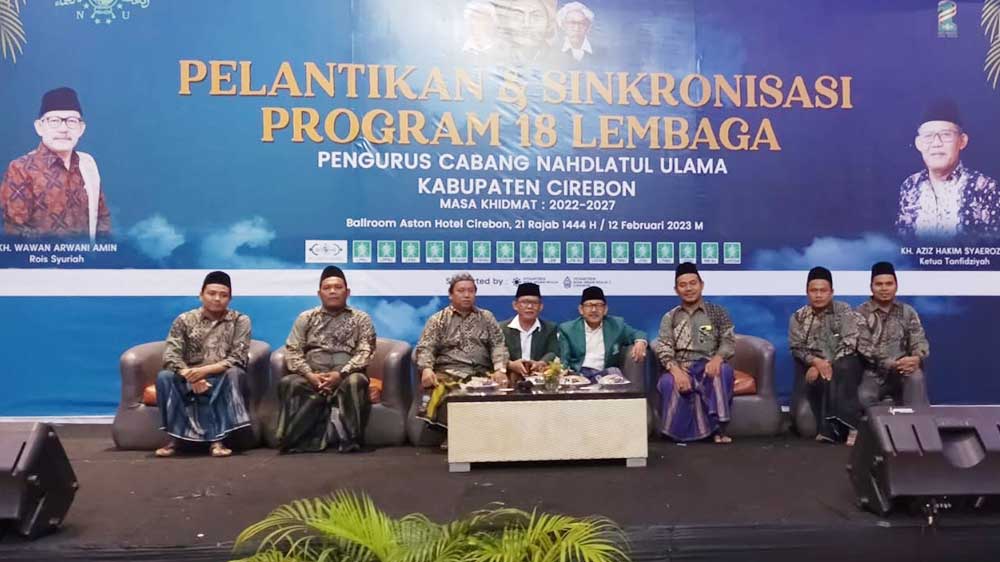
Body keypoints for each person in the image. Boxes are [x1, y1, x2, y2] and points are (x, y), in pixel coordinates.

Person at [275, 266, 376, 453]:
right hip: (312, 375)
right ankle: (298, 440)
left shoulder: (361, 319)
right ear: (319, 293)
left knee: (356, 382)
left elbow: (365, 352)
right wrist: (310, 376)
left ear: (347, 292)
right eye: (327, 288)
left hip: (347, 374)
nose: (332, 291)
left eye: (338, 287)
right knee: (289, 383)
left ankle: (350, 440)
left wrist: (340, 374)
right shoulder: (306, 317)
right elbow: (293, 350)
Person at [154, 271, 251, 458]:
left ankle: (217, 441)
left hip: (220, 374)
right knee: (164, 376)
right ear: (201, 295)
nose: (217, 299)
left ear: (230, 299)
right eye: (211, 293)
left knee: (234, 373)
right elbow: (171, 355)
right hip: (189, 375)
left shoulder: (240, 320)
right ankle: (175, 439)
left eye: (223, 295)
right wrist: (190, 376)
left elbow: (237, 357)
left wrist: (203, 372)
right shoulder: (184, 320)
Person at [1, 87, 111, 239]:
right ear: (39, 127)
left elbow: (102, 217)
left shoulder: (88, 164)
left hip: (87, 254)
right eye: (54, 121)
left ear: (81, 129)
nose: (63, 129)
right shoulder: (21, 169)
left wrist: (100, 249)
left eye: (72, 121)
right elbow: (15, 230)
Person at [414, 273, 508, 440]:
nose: (466, 295)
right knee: (445, 390)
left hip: (482, 373)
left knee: (502, 387)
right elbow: (425, 347)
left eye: (471, 291)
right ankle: (455, 439)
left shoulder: (486, 317)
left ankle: (490, 440)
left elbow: (498, 344)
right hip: (449, 371)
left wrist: (500, 369)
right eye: (461, 291)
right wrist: (426, 369)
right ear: (450, 295)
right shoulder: (438, 320)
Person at [652, 263, 736, 444]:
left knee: (722, 372)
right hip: (681, 366)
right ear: (676, 290)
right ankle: (677, 434)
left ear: (701, 285)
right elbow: (664, 347)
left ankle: (719, 430)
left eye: (693, 283)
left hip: (708, 364)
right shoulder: (670, 317)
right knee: (668, 383)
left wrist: (717, 359)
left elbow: (728, 341)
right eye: (683, 285)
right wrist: (676, 371)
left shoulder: (717, 312)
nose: (688, 288)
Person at [896, 98, 1000, 239]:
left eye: (946, 135)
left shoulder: (985, 188)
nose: (936, 143)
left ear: (962, 141)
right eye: (928, 136)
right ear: (918, 143)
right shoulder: (910, 186)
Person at [788, 267, 866, 444]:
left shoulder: (843, 310)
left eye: (823, 290)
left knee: (842, 368)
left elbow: (849, 342)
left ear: (831, 292)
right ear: (807, 292)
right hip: (813, 366)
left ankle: (851, 427)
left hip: (845, 361)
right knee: (823, 378)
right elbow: (796, 348)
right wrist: (815, 362)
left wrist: (826, 363)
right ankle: (831, 429)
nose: (818, 295)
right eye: (813, 290)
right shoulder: (798, 317)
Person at [856, 262, 930, 408]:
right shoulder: (860, 313)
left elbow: (919, 340)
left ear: (896, 286)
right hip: (874, 374)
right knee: (863, 398)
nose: (884, 288)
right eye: (879, 284)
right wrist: (892, 364)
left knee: (915, 376)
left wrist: (916, 358)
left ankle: (915, 420)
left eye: (889, 284)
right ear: (871, 287)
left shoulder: (908, 312)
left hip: (904, 371)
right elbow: (864, 347)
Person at [558, 286, 647, 382]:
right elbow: (564, 359)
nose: (594, 310)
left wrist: (640, 342)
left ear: (605, 309)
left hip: (605, 375)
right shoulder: (568, 329)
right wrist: (563, 374)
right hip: (579, 375)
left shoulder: (617, 325)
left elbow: (637, 333)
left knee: (614, 372)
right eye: (589, 305)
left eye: (599, 305)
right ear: (581, 309)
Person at [499, 282, 560, 380]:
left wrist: (541, 363)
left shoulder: (549, 328)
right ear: (515, 305)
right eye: (524, 302)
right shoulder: (502, 328)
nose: (530, 306)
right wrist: (510, 364)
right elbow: (497, 352)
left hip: (539, 376)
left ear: (541, 307)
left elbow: (552, 351)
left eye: (534, 303)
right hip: (510, 377)